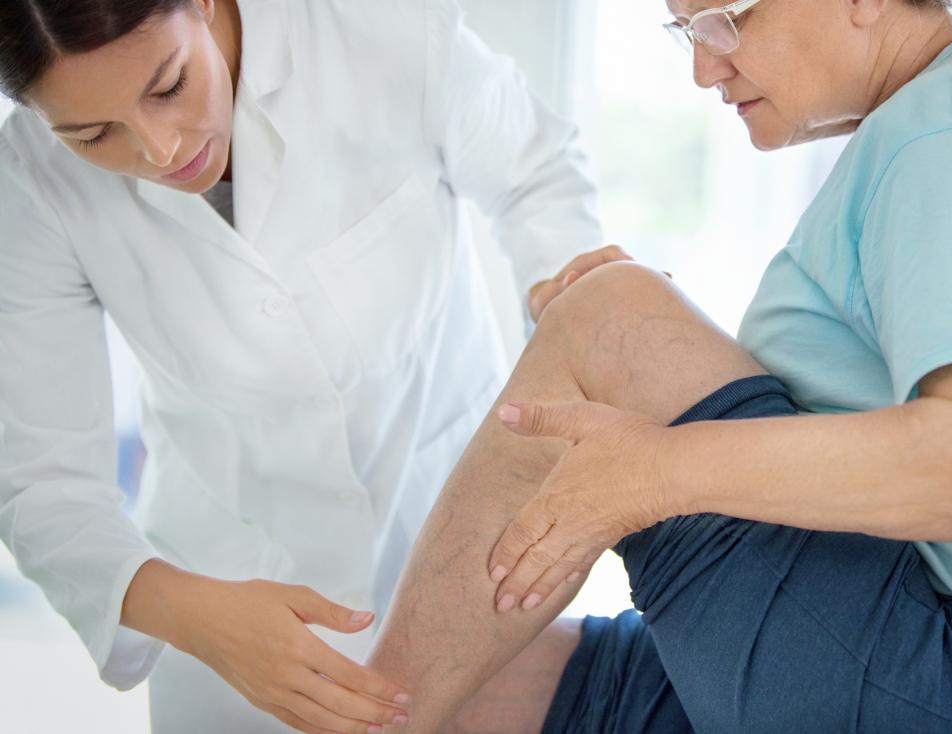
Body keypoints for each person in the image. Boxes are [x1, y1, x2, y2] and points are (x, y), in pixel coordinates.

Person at [359, 0, 952, 732]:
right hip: (947, 638)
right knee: (473, 692)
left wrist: (653, 469)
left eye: (725, 19)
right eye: (687, 29)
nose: (703, 67)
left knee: (609, 317)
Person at [0, 0, 623, 731]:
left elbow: (534, 176)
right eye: (93, 134)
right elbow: (44, 486)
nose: (162, 149)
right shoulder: (31, 183)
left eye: (168, 86)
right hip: (225, 592)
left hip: (460, 542)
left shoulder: (373, 28)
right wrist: (194, 616)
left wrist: (563, 291)